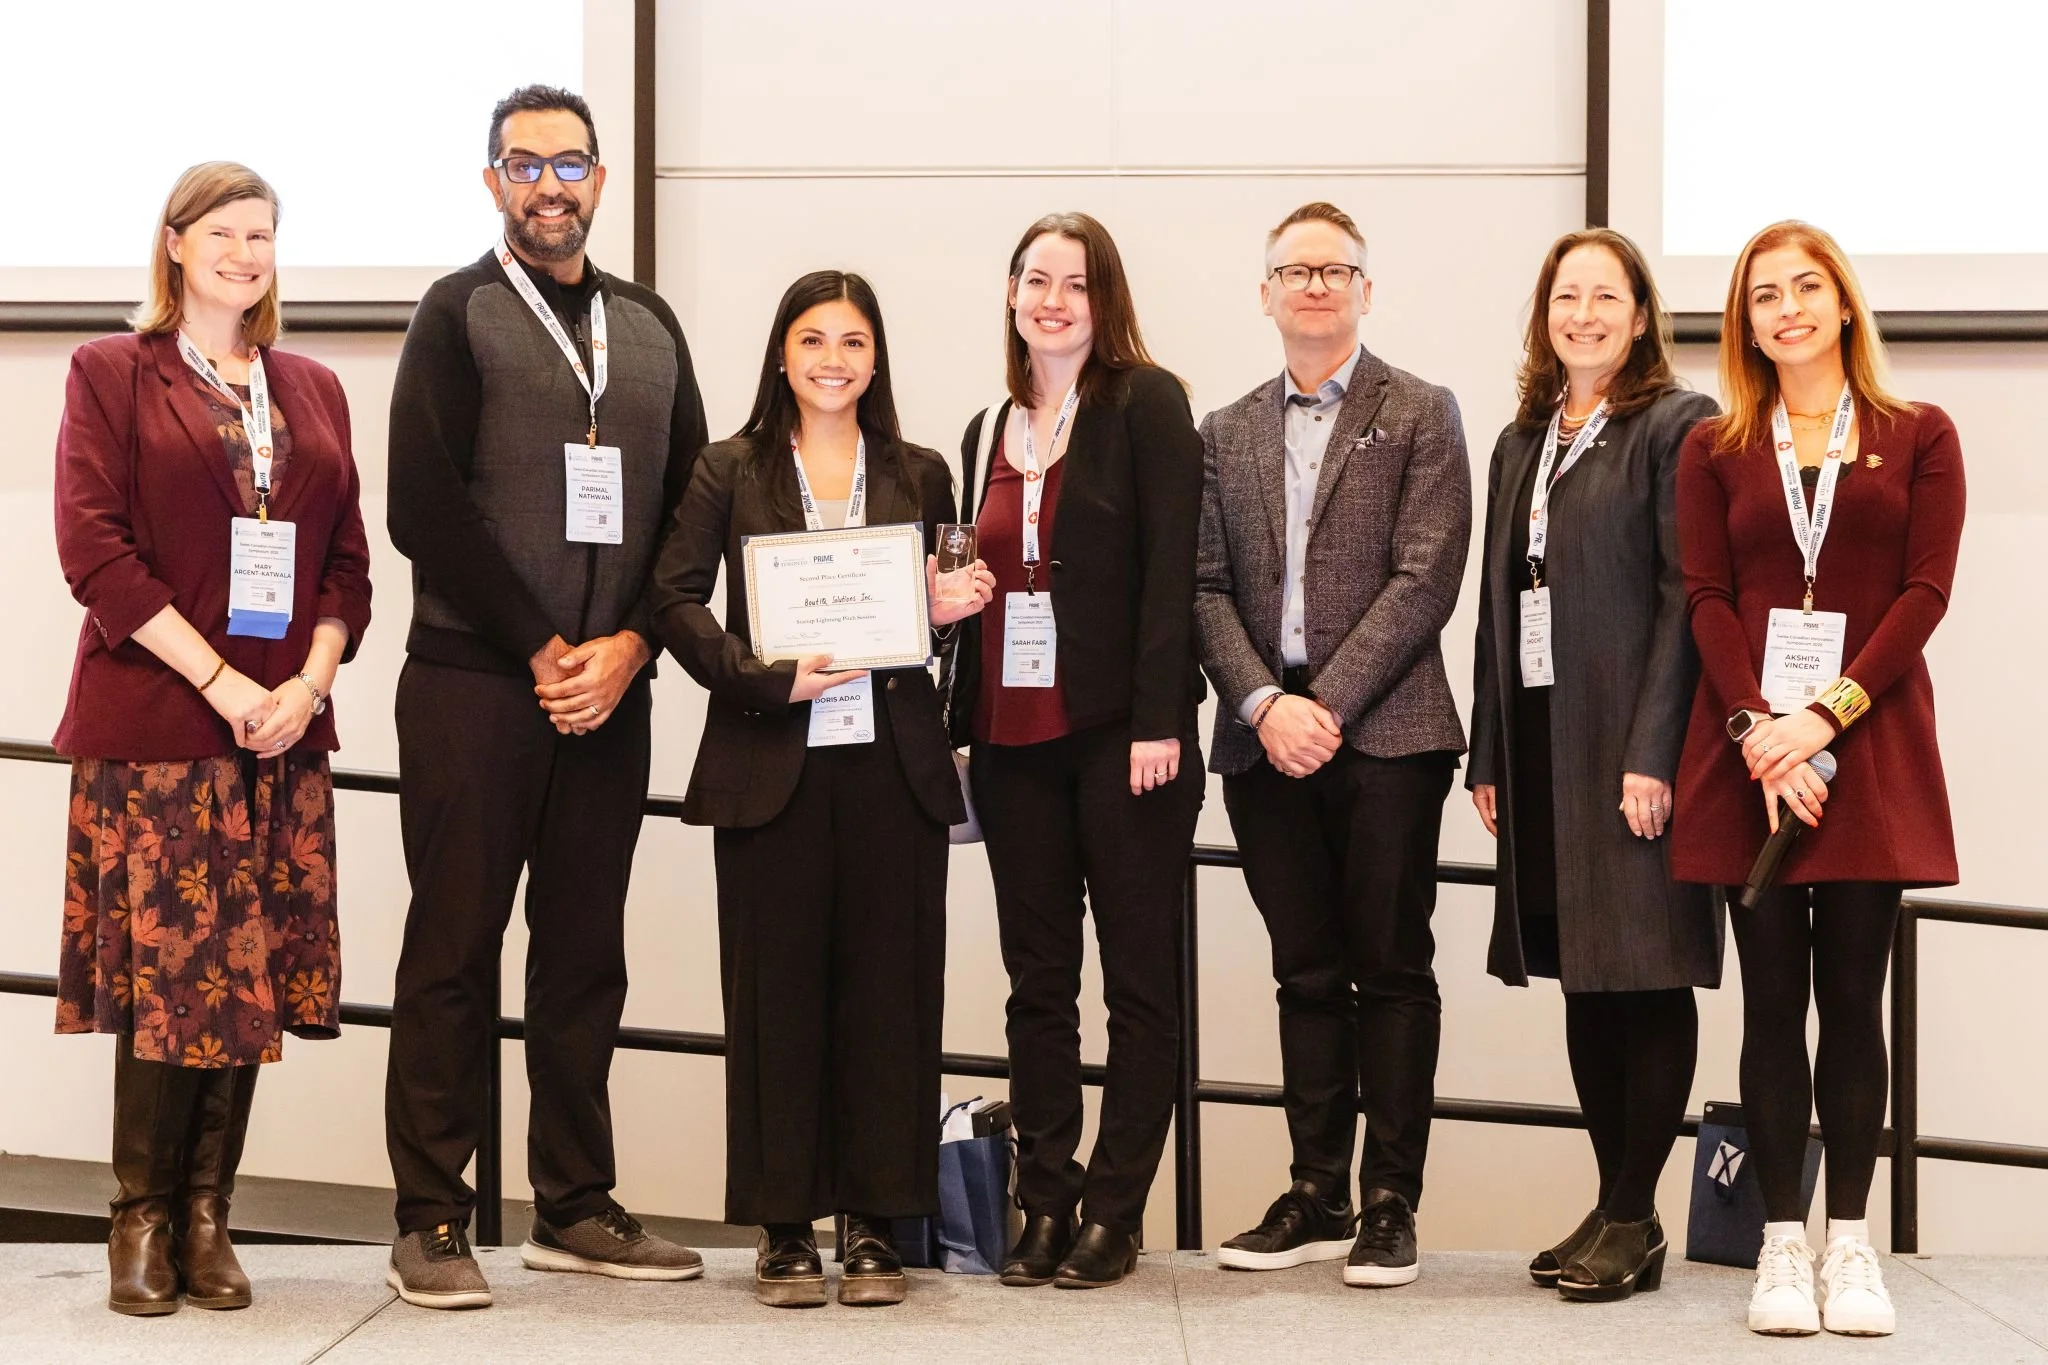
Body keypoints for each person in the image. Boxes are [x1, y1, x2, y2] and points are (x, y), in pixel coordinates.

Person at [381, 84, 708, 1309]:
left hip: (609, 694)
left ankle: (573, 1204)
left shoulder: (652, 324)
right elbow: (426, 507)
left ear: (600, 181)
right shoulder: (455, 311)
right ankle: (431, 1218)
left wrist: (628, 647)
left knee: (583, 956)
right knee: (454, 948)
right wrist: (540, 648)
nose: (550, 186)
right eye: (525, 166)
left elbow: (693, 513)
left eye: (570, 164)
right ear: (492, 184)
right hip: (476, 685)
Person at [50, 161, 372, 1315]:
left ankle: (206, 1215)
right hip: (162, 728)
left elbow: (347, 570)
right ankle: (137, 1220)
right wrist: (228, 681)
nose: (248, 251)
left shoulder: (315, 389)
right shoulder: (110, 373)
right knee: (171, 979)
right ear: (176, 243)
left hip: (282, 733)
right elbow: (94, 555)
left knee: (252, 976)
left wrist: (307, 682)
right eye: (227, 232)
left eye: (266, 234)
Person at [650, 271, 993, 1308]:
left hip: (891, 764)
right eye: (812, 340)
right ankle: (785, 1226)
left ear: (874, 358)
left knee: (889, 999)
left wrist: (949, 603)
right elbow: (669, 598)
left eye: (851, 341)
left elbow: (947, 601)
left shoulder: (922, 471)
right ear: (781, 355)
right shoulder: (729, 468)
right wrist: (763, 676)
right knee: (774, 999)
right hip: (771, 761)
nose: (832, 360)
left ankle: (877, 1226)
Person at [1675, 220, 1963, 1338]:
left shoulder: (1917, 433)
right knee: (1765, 1007)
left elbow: (1923, 595)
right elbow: (1703, 595)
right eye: (1761, 295)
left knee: (1852, 1002)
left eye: (1805, 288)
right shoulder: (1717, 447)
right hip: (1751, 758)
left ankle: (1851, 1247)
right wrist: (1759, 731)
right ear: (1743, 321)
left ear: (1841, 303)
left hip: (1866, 746)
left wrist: (1821, 716)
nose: (1785, 308)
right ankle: (1776, 1247)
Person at [1193, 202, 1469, 1288]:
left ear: (1364, 289)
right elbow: (1203, 588)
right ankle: (1315, 1192)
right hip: (1265, 741)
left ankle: (1388, 1203)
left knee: (1390, 968)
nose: (1312, 284)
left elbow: (1425, 578)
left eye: (1333, 269)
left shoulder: (1420, 412)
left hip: (1389, 735)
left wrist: (1329, 705)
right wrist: (1266, 704)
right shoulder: (1222, 431)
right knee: (1302, 972)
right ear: (1263, 293)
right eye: (1291, 270)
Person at [949, 212, 1204, 1290]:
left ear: (1104, 300)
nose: (1051, 298)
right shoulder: (984, 429)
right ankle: (1042, 1201)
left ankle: (1115, 1208)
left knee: (1140, 987)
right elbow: (975, 581)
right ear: (1010, 295)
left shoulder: (1144, 402)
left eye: (1073, 282)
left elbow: (1167, 568)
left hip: (1120, 739)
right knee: (1036, 984)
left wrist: (1160, 720)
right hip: (1011, 746)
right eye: (1033, 279)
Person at [1467, 229, 1720, 1301]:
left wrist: (1653, 751)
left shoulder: (1675, 426)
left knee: (1646, 971)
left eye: (1602, 296)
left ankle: (1631, 1212)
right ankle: (1615, 1199)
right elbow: (1492, 609)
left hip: (1627, 746)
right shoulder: (1522, 437)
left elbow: (1682, 598)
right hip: (1538, 744)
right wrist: (1485, 753)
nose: (1581, 314)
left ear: (1638, 311)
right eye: (1563, 296)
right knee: (1582, 972)